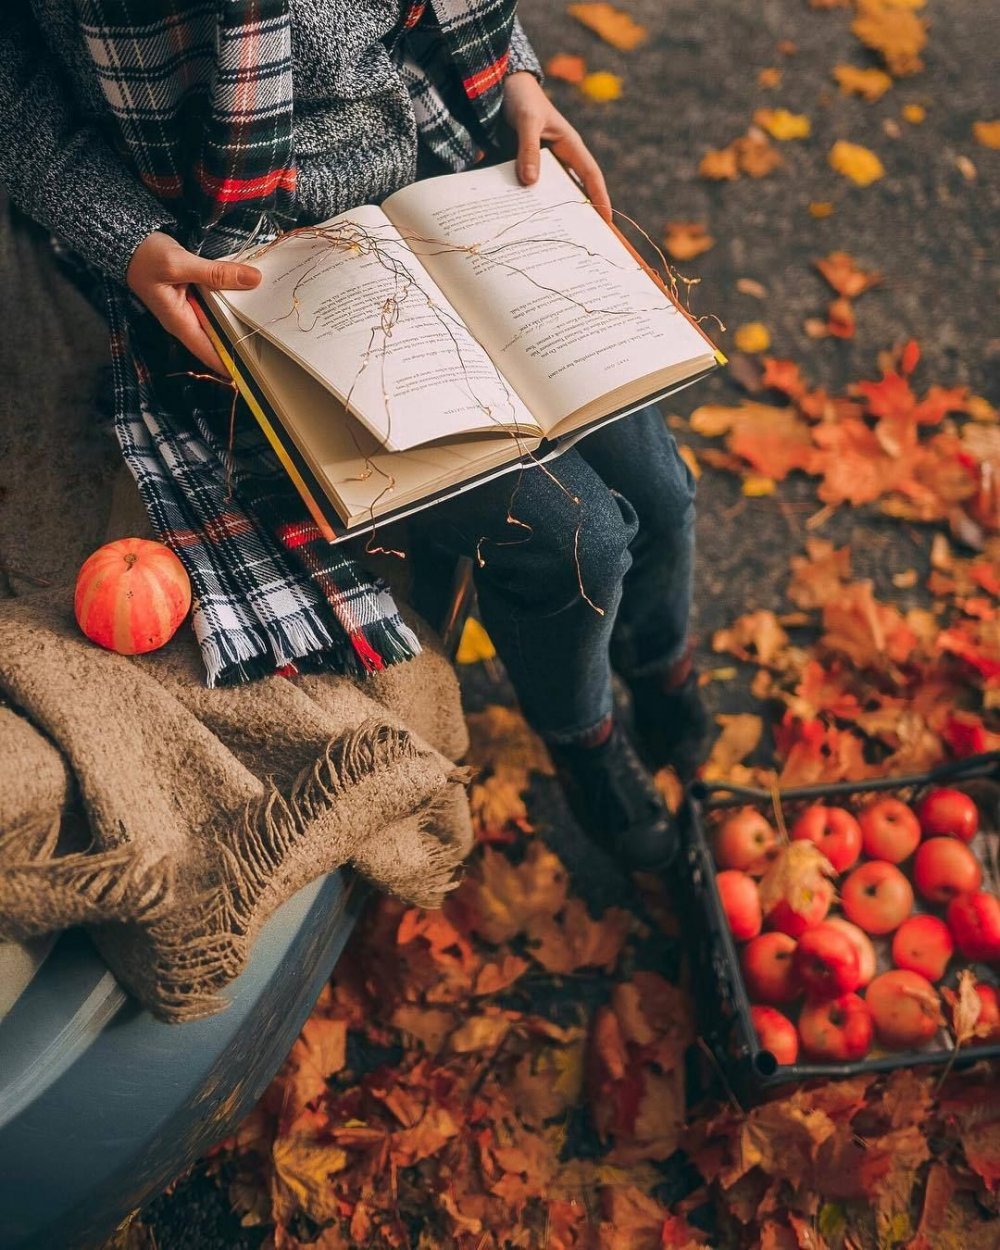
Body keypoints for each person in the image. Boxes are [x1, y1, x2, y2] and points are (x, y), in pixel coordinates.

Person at [0, 0, 707, 872]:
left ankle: (661, 663)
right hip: (231, 260)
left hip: (438, 175)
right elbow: (10, 78)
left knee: (663, 490)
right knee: (576, 542)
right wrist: (127, 238)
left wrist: (513, 75)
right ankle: (586, 737)